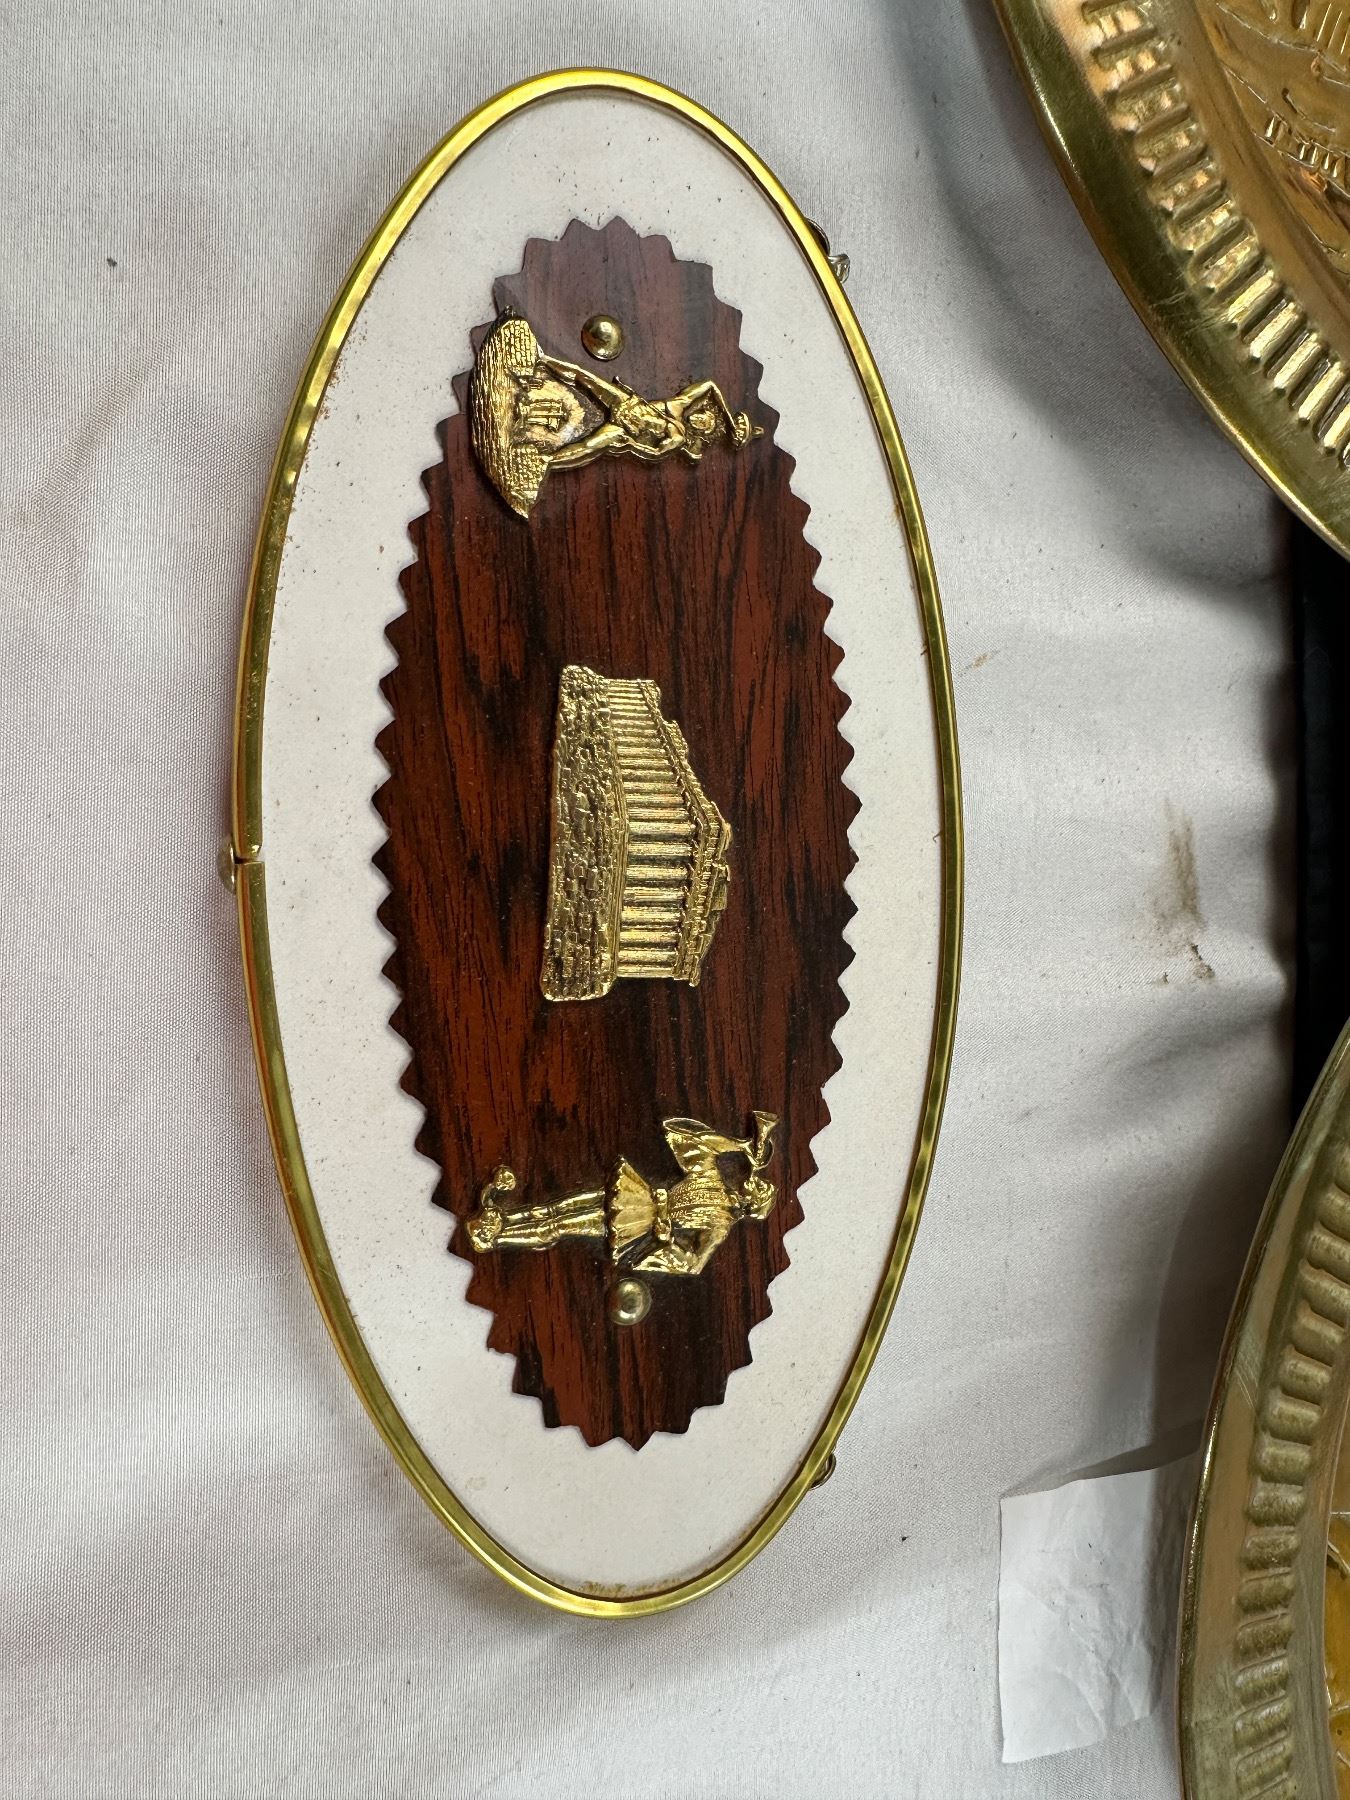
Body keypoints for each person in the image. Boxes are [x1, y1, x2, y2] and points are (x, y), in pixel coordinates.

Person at [466, 1111, 779, 1279]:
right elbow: (692, 1139)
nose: (758, 1183)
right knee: (556, 1207)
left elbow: (694, 1263)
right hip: (634, 1194)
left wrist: (666, 1240)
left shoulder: (720, 1227)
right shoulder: (713, 1178)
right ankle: (501, 1218)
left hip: (639, 1221)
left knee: (559, 1227)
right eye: (763, 1184)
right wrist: (741, 1145)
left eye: (762, 1189)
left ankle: (499, 1238)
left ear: (752, 1203)